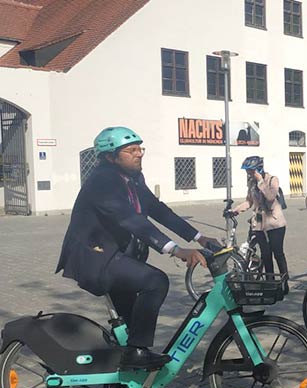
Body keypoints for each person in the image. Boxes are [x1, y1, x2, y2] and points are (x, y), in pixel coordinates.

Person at [56, 127, 217, 371]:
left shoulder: (132, 179)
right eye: (131, 150)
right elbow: (129, 219)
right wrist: (175, 250)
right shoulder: (103, 181)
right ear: (110, 157)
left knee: (129, 328)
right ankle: (137, 351)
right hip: (94, 258)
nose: (139, 154)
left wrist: (199, 237)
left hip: (117, 257)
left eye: (140, 148)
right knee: (155, 281)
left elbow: (157, 209)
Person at [232, 156, 289, 294]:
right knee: (265, 254)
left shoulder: (272, 180)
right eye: (248, 171)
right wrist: (236, 210)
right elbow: (249, 201)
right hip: (259, 225)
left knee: (278, 253)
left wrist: (260, 181)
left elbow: (270, 197)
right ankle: (270, 283)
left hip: (275, 224)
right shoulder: (251, 183)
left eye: (251, 171)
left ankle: (284, 283)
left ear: (259, 169)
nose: (249, 174)